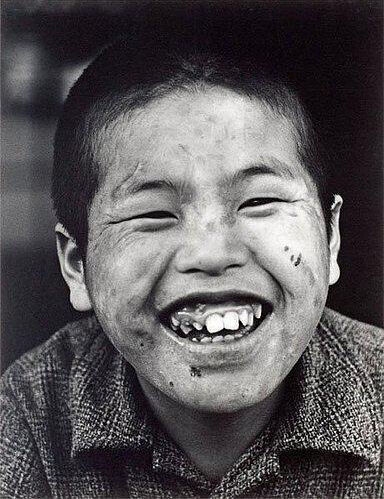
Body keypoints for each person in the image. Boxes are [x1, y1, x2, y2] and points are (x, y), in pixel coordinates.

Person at [1, 28, 383, 499]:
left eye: (260, 201)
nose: (212, 254)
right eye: (153, 213)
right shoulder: (25, 420)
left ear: (331, 239)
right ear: (77, 264)